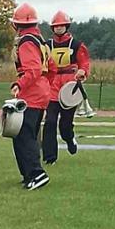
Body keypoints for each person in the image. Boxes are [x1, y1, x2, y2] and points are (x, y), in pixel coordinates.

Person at [9, 4, 53, 190]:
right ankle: (28, 174)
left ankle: (36, 173)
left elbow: (32, 69)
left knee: (23, 134)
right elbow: (51, 67)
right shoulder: (40, 40)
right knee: (29, 133)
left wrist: (20, 84)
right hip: (42, 91)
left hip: (31, 93)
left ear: (16, 24)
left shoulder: (26, 41)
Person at [42, 11, 91, 164]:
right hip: (52, 86)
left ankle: (69, 139)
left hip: (70, 87)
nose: (59, 28)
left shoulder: (76, 44)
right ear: (52, 28)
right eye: (56, 26)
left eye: (61, 25)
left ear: (66, 26)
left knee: (65, 124)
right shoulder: (47, 45)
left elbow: (84, 62)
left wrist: (82, 71)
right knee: (50, 121)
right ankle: (50, 157)